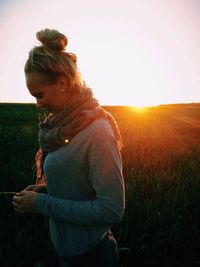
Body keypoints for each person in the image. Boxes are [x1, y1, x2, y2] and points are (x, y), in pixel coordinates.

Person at [12, 28, 125, 267]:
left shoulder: (98, 132)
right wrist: (43, 191)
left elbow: (111, 210)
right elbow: (76, 186)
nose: (37, 104)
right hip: (67, 255)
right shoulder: (60, 128)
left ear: (62, 83)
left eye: (39, 95)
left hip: (92, 258)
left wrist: (41, 204)